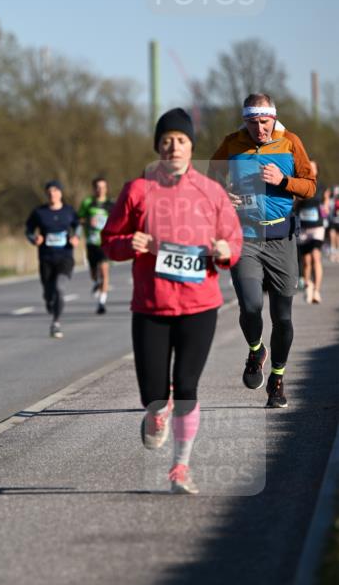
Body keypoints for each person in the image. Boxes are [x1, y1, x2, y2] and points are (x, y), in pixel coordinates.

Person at [102, 109, 242, 495]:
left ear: (190, 146)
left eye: (180, 140)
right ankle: (154, 415)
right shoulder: (137, 190)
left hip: (200, 304)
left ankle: (181, 467)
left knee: (186, 386)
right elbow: (108, 240)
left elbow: (233, 241)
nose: (173, 147)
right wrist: (127, 244)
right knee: (153, 394)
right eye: (166, 141)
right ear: (157, 148)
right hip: (151, 305)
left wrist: (224, 250)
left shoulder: (211, 192)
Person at [209, 94, 316, 409]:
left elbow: (310, 185)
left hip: (282, 238)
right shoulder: (231, 144)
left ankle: (278, 378)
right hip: (246, 237)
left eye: (264, 122)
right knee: (251, 306)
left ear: (274, 118)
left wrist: (284, 181)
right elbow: (210, 179)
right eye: (253, 122)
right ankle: (256, 350)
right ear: (245, 121)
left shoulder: (290, 142)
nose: (259, 129)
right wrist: (224, 194)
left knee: (282, 317)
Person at [25, 180, 80, 339]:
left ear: (61, 193)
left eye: (55, 191)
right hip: (46, 258)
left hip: (65, 257)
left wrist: (76, 236)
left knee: (59, 288)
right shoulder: (39, 212)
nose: (52, 194)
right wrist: (33, 238)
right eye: (49, 191)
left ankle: (56, 323)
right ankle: (49, 300)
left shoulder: (69, 211)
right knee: (49, 293)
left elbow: (78, 226)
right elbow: (28, 230)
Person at [78, 177, 113, 314]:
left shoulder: (111, 205)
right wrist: (87, 221)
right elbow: (78, 219)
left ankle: (101, 303)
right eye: (97, 187)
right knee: (94, 274)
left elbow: (118, 222)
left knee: (104, 271)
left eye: (103, 187)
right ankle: (96, 283)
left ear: (106, 188)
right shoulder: (88, 203)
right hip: (91, 243)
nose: (100, 190)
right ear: (94, 189)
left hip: (104, 243)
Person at [296, 162, 325, 304]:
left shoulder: (320, 185)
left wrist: (303, 195)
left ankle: (317, 291)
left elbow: (316, 198)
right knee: (306, 262)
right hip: (303, 227)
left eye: (313, 168)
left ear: (317, 171)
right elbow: (296, 202)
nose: (311, 170)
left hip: (317, 227)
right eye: (308, 167)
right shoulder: (300, 183)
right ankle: (308, 286)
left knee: (316, 257)